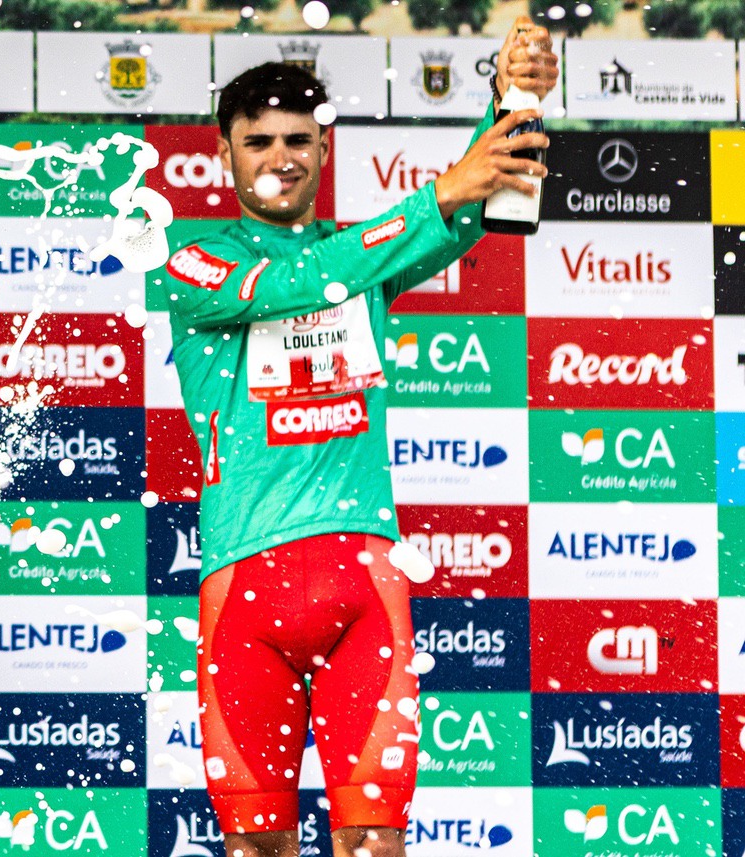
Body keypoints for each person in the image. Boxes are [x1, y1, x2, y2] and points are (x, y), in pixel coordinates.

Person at [161, 19, 557, 857]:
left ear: (324, 148)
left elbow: (463, 213)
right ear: (224, 155)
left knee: (375, 839)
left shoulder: (362, 259)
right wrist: (438, 195)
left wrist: (507, 104)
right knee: (257, 845)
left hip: (366, 584)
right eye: (258, 141)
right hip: (244, 590)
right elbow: (298, 280)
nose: (280, 156)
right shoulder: (190, 259)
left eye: (298, 139)